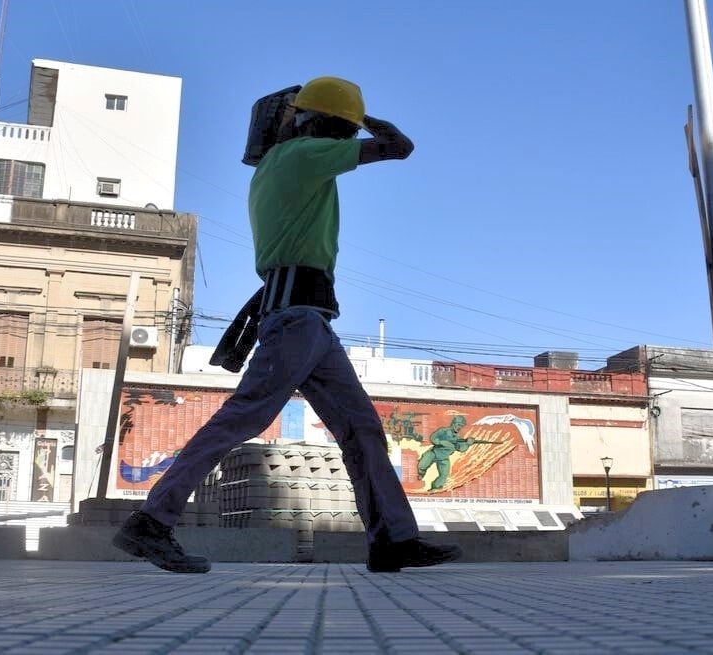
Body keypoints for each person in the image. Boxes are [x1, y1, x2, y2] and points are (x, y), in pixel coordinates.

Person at [112, 76, 462, 574]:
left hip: (310, 323)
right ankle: (150, 522)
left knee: (361, 428)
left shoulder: (284, 163)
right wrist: (361, 118)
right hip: (296, 321)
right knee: (241, 418)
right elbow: (398, 146)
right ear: (327, 125)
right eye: (342, 127)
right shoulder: (302, 154)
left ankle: (393, 541)